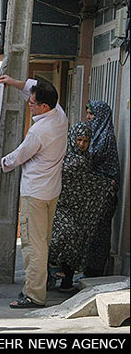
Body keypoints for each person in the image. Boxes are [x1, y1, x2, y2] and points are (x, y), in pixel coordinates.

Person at [0, 75, 68, 308]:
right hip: (50, 190)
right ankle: (39, 285)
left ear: (44, 106)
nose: (29, 105)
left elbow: (20, 155)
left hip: (36, 193)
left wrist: (0, 161)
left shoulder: (40, 130)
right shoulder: (59, 115)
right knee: (42, 241)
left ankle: (34, 295)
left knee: (34, 245)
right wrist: (13, 82)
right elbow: (34, 88)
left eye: (32, 103)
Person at [48, 122, 114, 291]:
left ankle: (66, 282)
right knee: (62, 235)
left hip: (80, 210)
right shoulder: (61, 156)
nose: (82, 144)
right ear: (72, 138)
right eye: (79, 139)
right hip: (60, 206)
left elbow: (88, 180)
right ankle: (49, 272)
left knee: (77, 242)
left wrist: (106, 184)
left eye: (86, 141)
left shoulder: (87, 159)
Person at [82, 101, 120, 277]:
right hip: (95, 193)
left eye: (92, 114)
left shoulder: (105, 138)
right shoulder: (96, 135)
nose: (88, 118)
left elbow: (91, 160)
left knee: (99, 233)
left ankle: (95, 272)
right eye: (88, 113)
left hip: (104, 194)